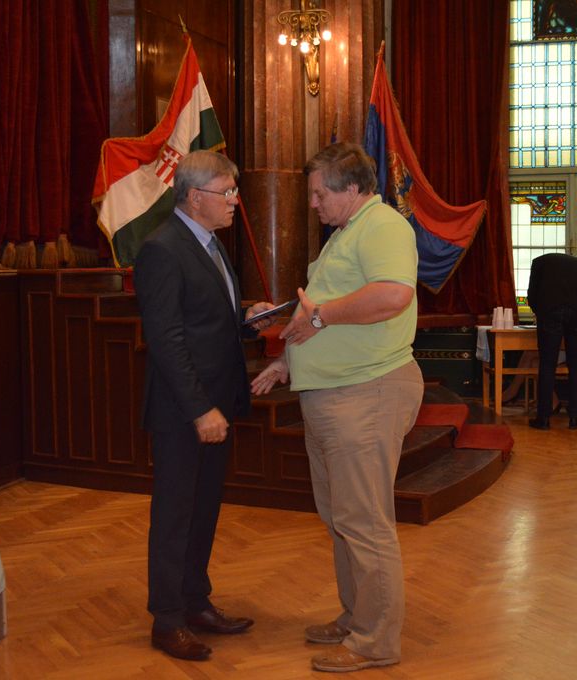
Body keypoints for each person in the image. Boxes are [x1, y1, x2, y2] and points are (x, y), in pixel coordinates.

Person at [251, 142, 423, 673]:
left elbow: (393, 295)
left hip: (367, 393)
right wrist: (288, 361)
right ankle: (356, 616)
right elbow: (318, 310)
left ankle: (375, 641)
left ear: (352, 188)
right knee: (342, 519)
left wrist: (320, 317)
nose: (313, 203)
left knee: (364, 522)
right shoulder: (346, 233)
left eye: (319, 193)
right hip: (336, 394)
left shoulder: (383, 226)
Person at [133, 150, 273, 661]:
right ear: (195, 197)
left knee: (204, 509)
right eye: (227, 192)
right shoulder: (162, 249)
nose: (235, 200)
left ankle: (195, 602)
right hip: (184, 412)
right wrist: (199, 409)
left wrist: (247, 317)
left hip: (216, 405)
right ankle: (167, 619)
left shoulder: (210, 244)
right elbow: (167, 340)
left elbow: (204, 321)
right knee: (175, 514)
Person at [526, 252, 577, 430]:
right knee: (576, 364)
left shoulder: (539, 263)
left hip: (550, 310)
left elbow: (532, 295)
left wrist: (541, 313)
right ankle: (575, 418)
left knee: (547, 364)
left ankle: (543, 419)